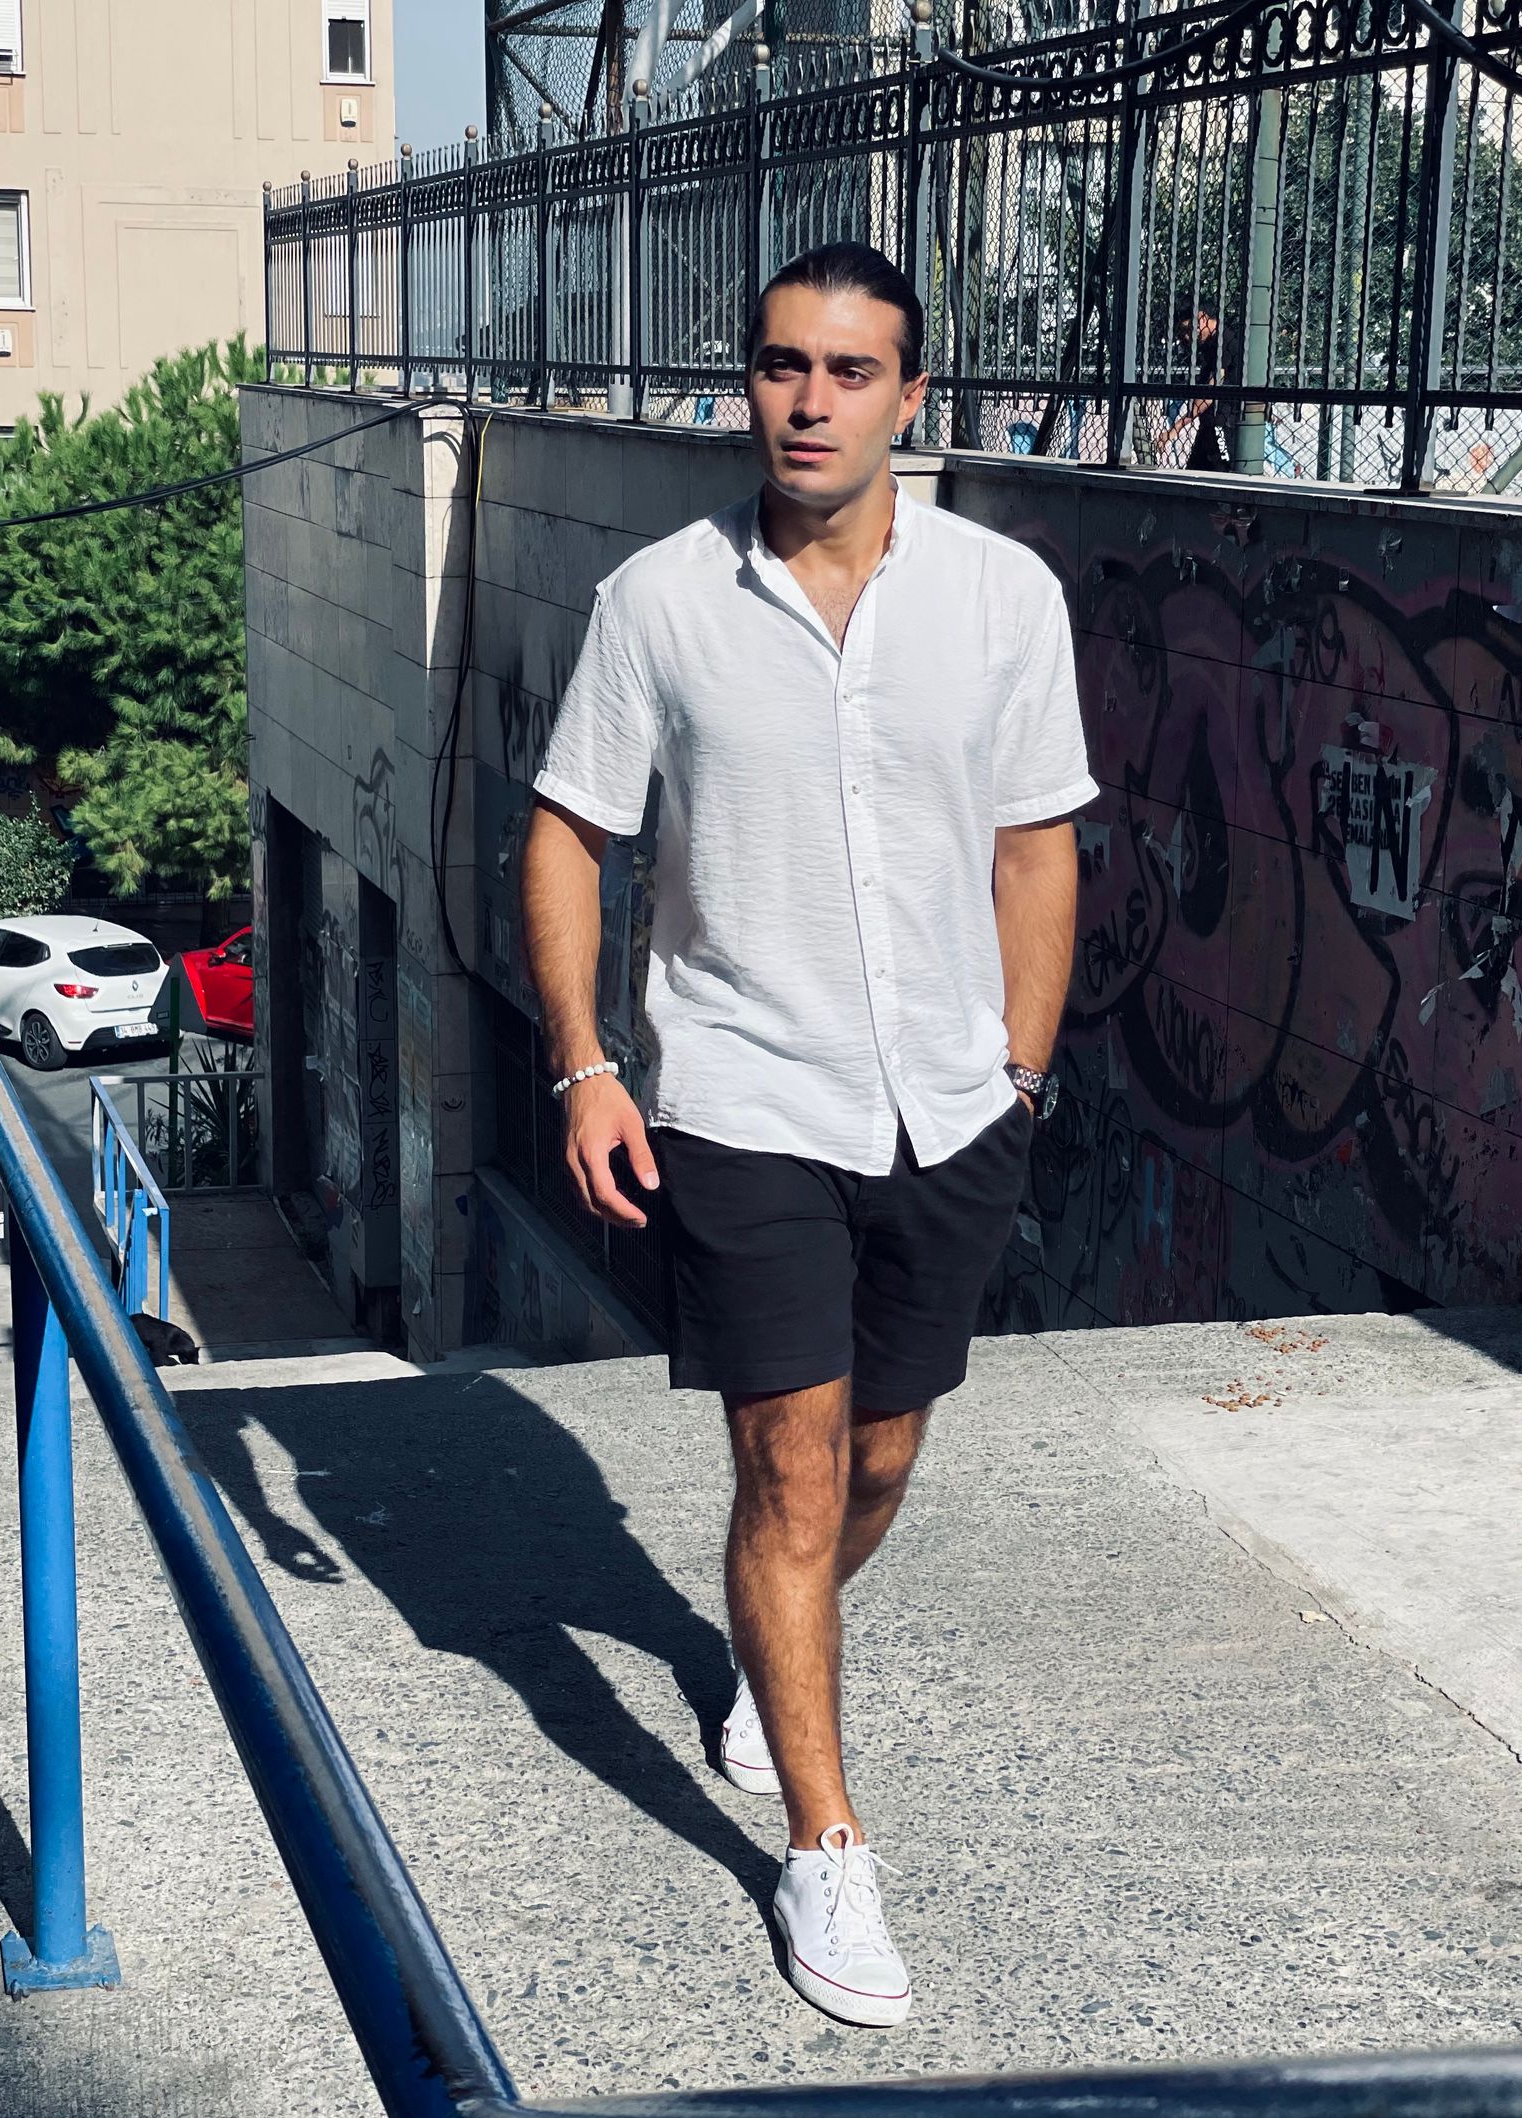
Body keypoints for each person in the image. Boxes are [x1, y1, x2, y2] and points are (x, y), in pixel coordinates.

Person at [519, 241, 1095, 2025]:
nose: (809, 401)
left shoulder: (1002, 599)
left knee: (878, 1464)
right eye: (781, 365)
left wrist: (1019, 1072)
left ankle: (772, 1662)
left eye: (850, 372)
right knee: (786, 1465)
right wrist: (585, 1064)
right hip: (745, 1101)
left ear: (911, 397)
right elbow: (568, 834)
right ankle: (823, 1846)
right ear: (747, 382)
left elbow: (1036, 844)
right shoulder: (659, 604)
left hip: (949, 1107)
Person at [1153, 297, 1227, 470]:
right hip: (1209, 424)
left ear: (1201, 317)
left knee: (1224, 474)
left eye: (1188, 329)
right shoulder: (1210, 344)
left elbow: (1211, 392)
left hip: (1223, 424)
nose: (1187, 337)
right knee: (1195, 473)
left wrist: (1176, 428)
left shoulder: (1224, 342)